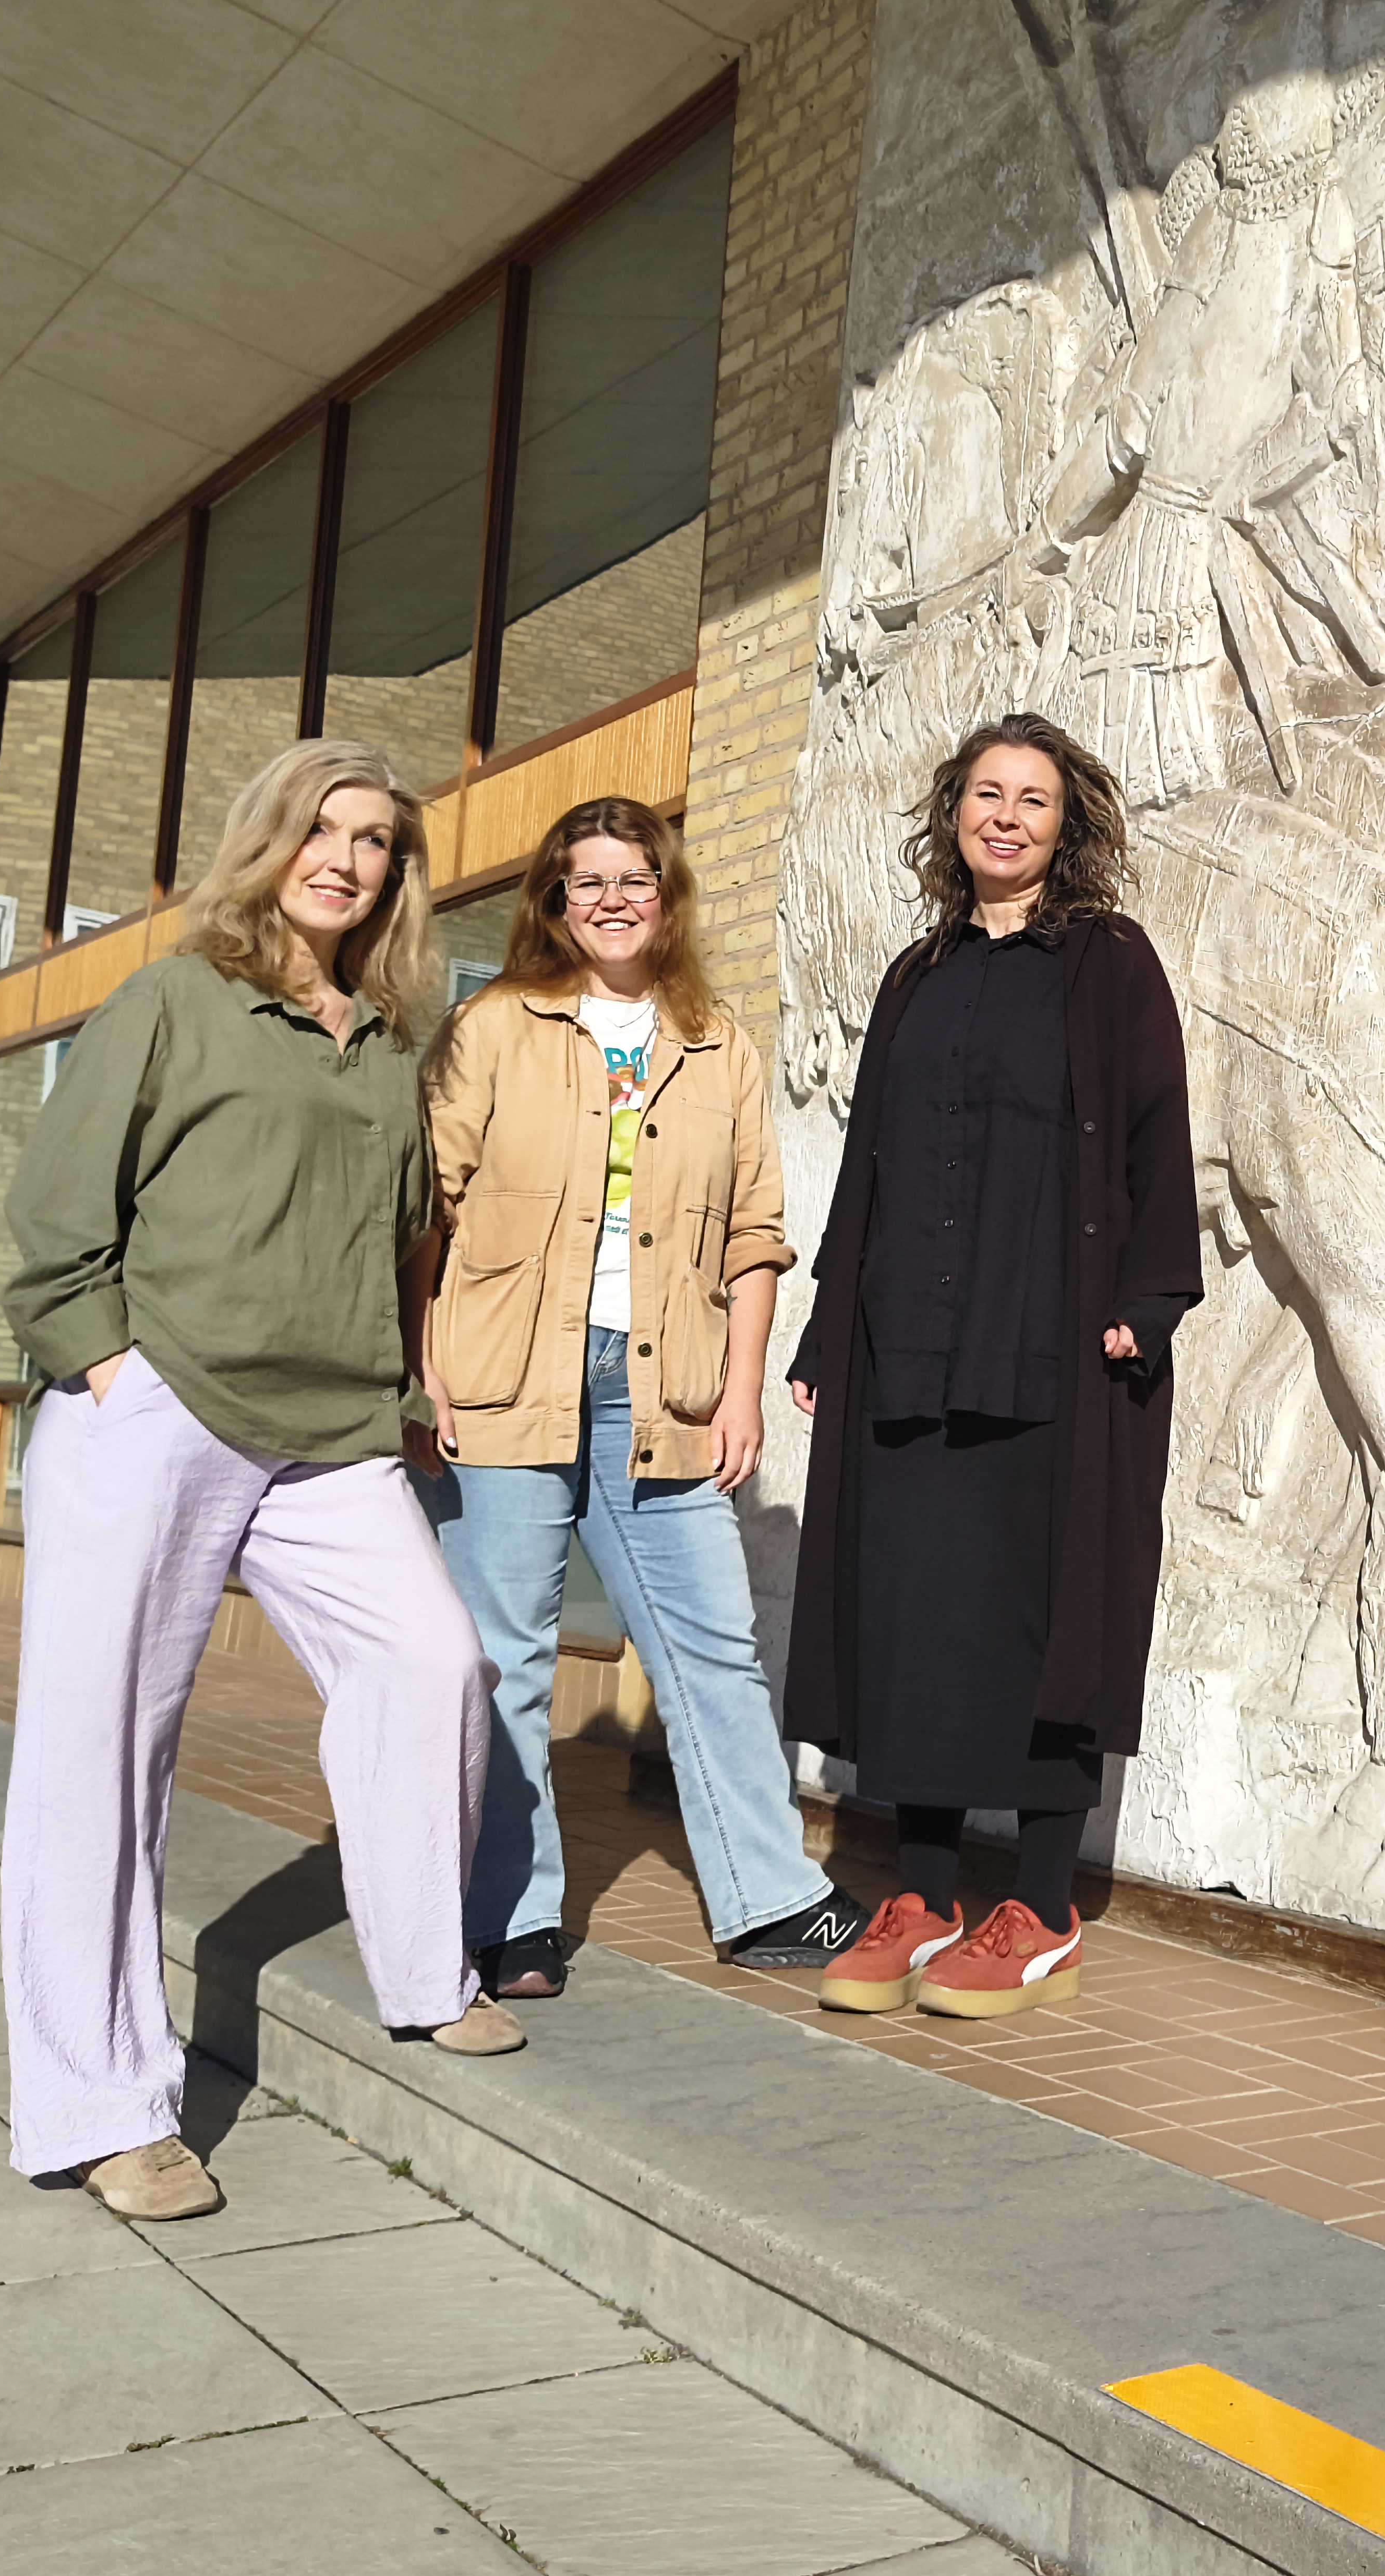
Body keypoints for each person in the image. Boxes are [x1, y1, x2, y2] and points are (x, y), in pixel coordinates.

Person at [0, 740, 511, 2226]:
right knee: (101, 1752)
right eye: (323, 830)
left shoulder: (391, 1038)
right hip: (157, 1406)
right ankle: (102, 2108)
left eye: (376, 843)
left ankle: (424, 1971)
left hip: (332, 1431)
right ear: (271, 840)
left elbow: (400, 1235)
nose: (347, 859)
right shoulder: (177, 998)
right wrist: (104, 1363)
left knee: (434, 1663)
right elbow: (56, 1207)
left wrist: (403, 1390)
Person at [786, 713, 1199, 2018]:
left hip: (1054, 1340)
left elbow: (1154, 1132)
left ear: (1067, 825)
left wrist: (1150, 1293)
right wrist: (821, 1330)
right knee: (910, 1609)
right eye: (985, 794)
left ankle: (1039, 1901)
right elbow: (869, 1163)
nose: (1006, 817)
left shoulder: (1109, 965)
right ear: (952, 815)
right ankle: (918, 1892)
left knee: (1040, 1612)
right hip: (905, 1335)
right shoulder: (917, 975)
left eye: (1033, 799)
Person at [424, 798, 872, 1994]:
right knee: (506, 1661)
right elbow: (430, 1205)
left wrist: (741, 1394)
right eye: (588, 881)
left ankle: (770, 1900)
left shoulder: (715, 1042)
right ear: (553, 902)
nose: (615, 899)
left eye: (637, 879)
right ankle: (511, 1918)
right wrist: (429, 1353)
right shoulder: (494, 1027)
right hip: (509, 1378)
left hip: (660, 1391)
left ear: (667, 899)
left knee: (714, 1649)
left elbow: (758, 1236)